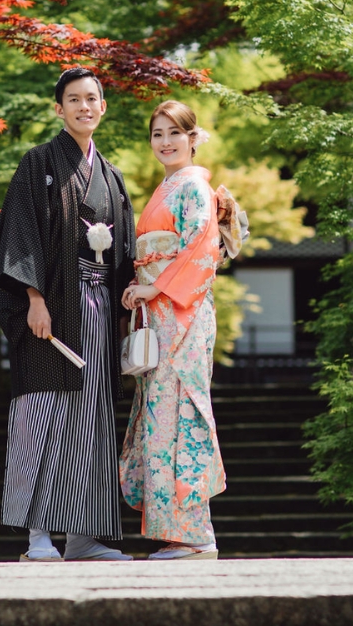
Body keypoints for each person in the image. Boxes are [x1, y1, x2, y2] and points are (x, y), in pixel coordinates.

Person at [0, 68, 136, 562]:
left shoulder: (112, 177)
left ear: (103, 106)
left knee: (92, 419)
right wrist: (34, 299)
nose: (84, 107)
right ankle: (38, 536)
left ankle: (84, 537)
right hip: (51, 310)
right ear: (59, 108)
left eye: (92, 99)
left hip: (97, 310)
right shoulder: (39, 163)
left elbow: (126, 255)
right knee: (43, 414)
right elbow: (21, 233)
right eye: (73, 100)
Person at [119, 100, 227, 560]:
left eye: (174, 133)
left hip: (182, 313)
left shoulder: (194, 189)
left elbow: (201, 249)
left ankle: (196, 533)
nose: (165, 142)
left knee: (181, 413)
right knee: (161, 416)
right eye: (157, 134)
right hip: (161, 311)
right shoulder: (167, 187)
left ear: (192, 138)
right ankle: (178, 532)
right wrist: (139, 287)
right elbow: (154, 252)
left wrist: (155, 288)